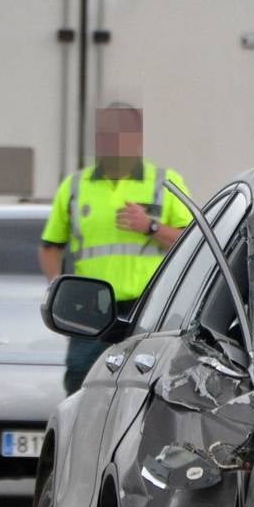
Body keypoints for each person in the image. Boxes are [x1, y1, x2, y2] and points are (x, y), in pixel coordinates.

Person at [39, 105, 192, 393]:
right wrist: (59, 289)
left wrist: (151, 227)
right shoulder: (75, 187)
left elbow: (190, 241)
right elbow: (51, 246)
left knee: (147, 383)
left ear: (137, 140)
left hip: (148, 306)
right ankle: (83, 436)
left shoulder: (165, 182)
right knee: (80, 380)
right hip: (91, 307)